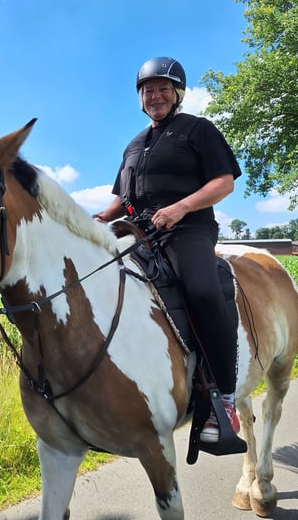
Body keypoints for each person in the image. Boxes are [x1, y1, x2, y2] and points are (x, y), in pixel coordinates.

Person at [94, 57, 243, 443]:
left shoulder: (198, 130)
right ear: (140, 98)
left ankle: (223, 397)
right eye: (147, 90)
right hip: (139, 231)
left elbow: (224, 182)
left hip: (188, 228)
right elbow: (123, 201)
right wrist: (96, 220)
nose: (154, 95)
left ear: (176, 94)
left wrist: (180, 208)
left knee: (202, 290)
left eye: (162, 89)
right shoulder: (133, 145)